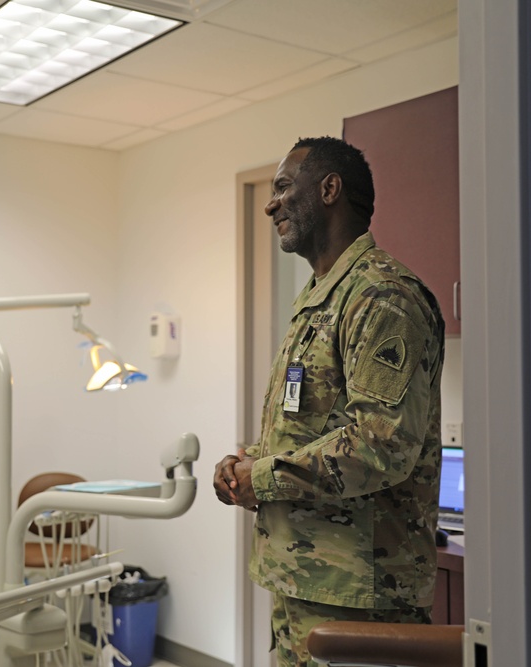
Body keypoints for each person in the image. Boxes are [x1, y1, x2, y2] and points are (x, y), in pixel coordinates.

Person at [213, 137, 445, 666]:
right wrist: (244, 464)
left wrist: (264, 477)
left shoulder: (382, 297)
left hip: (363, 594)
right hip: (302, 578)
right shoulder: (319, 300)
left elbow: (379, 445)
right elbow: (304, 426)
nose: (271, 204)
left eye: (283, 188)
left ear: (329, 189)